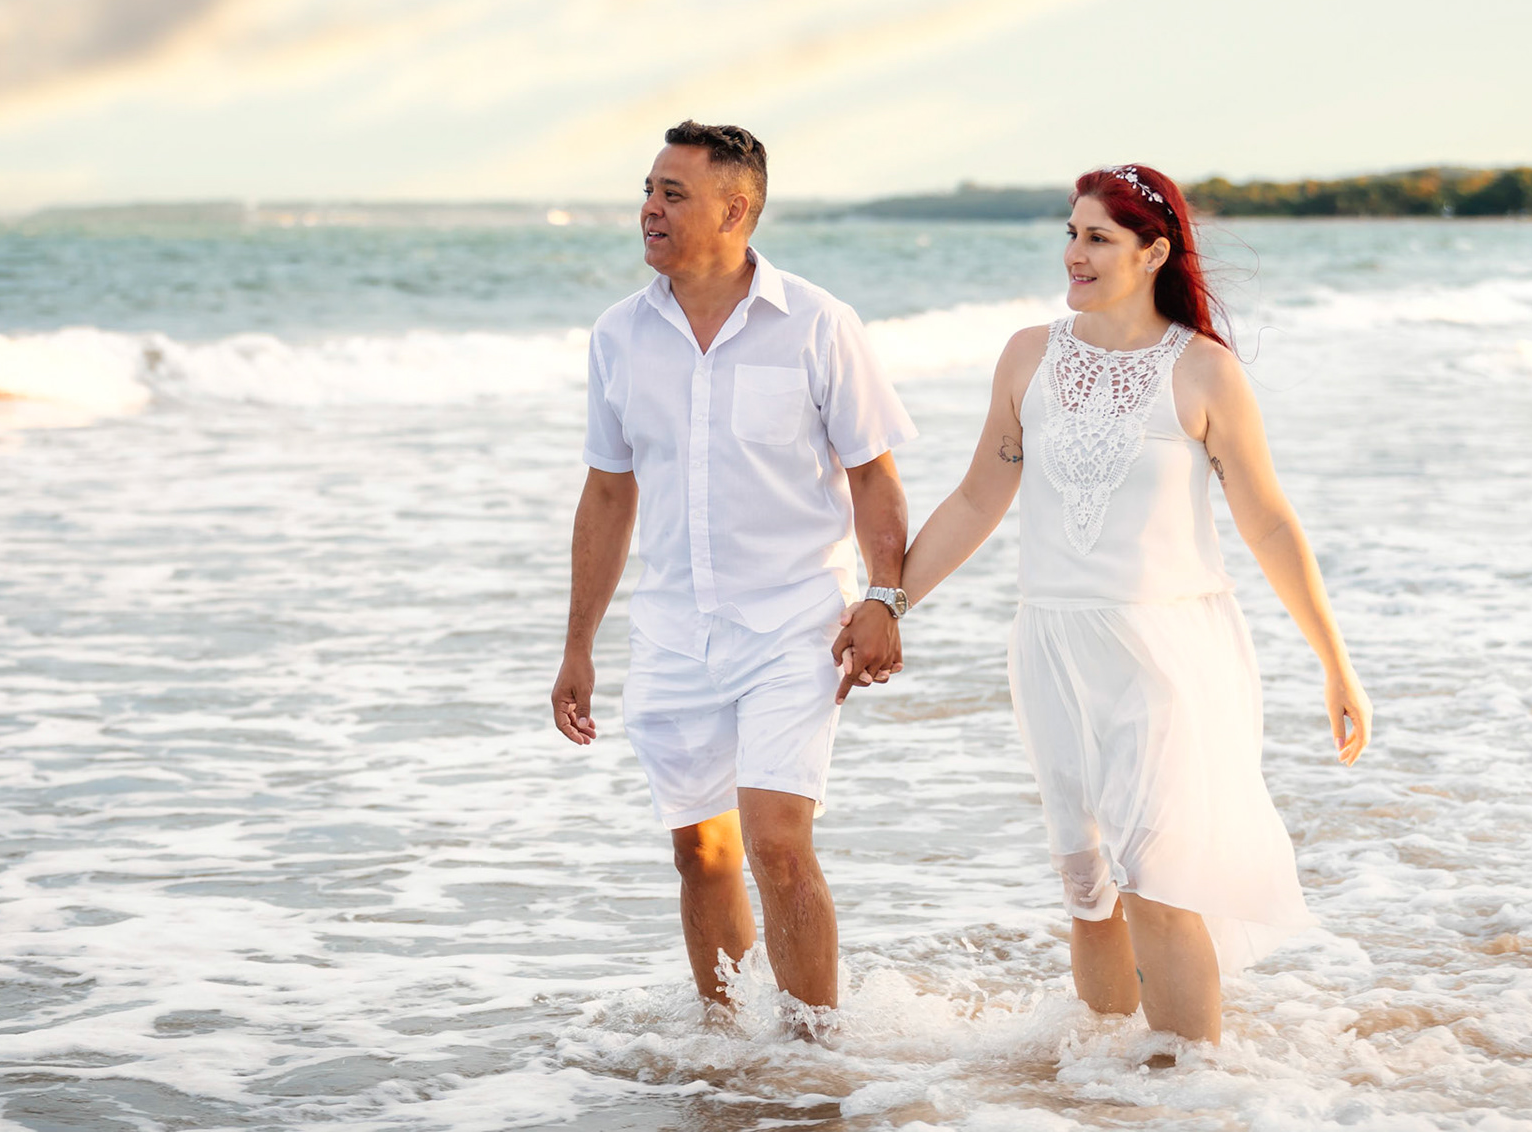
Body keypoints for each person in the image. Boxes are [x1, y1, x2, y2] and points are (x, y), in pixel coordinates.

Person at [890, 164, 1371, 1046]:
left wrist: (1334, 663)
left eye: (1097, 238)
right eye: (1071, 233)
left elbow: (1267, 521)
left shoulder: (1203, 371)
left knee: (1157, 877)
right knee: (1090, 890)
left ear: (1154, 252)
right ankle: (1108, 1089)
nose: (1074, 254)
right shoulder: (1027, 356)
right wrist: (887, 602)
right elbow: (975, 501)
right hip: (1051, 648)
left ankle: (1192, 1091)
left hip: (1166, 651)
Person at [550, 121, 916, 1027]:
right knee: (700, 853)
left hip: (794, 620)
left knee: (778, 844)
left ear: (736, 208)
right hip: (674, 630)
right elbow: (606, 495)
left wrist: (884, 598)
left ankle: (812, 1058)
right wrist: (577, 647)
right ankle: (731, 1046)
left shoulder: (819, 324)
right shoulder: (619, 336)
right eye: (648, 189)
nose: (649, 209)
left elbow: (874, 475)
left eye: (673, 194)